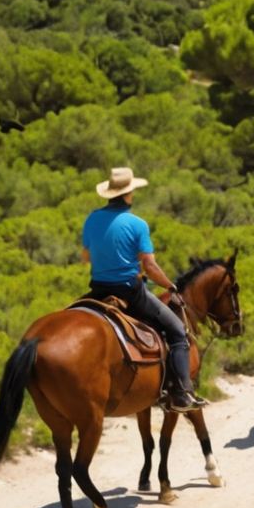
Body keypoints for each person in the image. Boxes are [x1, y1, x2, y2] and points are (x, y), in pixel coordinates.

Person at [80, 167, 209, 413]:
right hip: (130, 292)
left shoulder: (92, 219)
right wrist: (169, 285)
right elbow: (149, 266)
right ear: (128, 195)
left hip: (97, 292)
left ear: (109, 193)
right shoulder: (137, 224)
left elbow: (86, 258)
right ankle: (182, 394)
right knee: (178, 331)